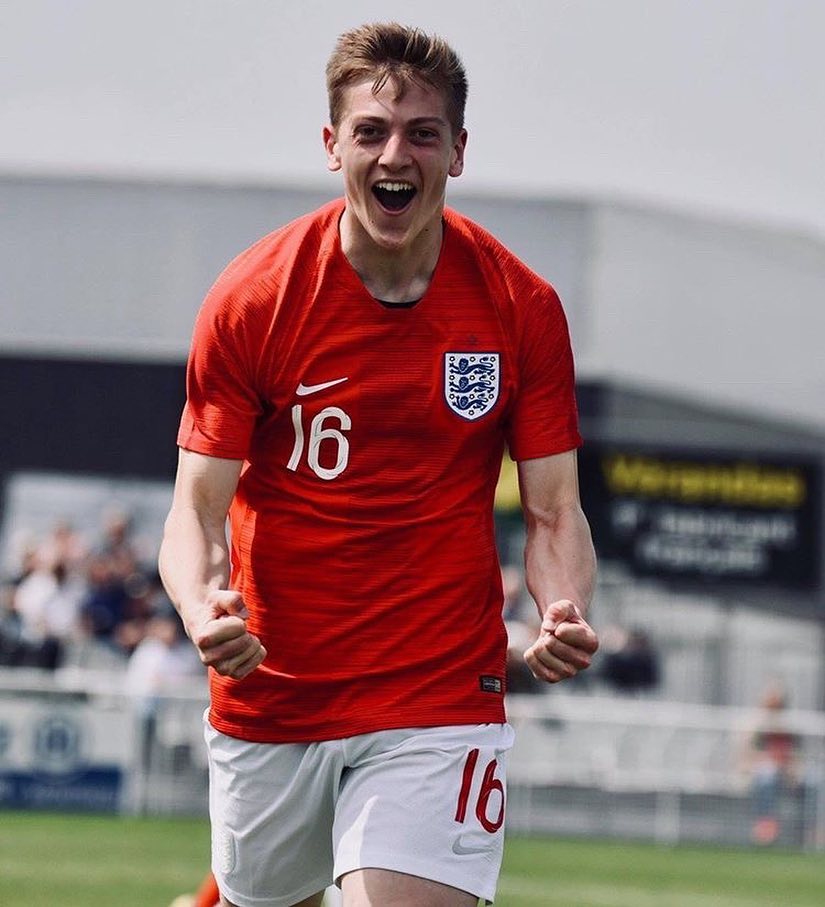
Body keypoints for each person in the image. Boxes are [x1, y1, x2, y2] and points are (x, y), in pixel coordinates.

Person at [159, 21, 598, 907]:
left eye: (421, 133)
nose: (395, 153)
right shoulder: (254, 299)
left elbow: (554, 511)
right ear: (333, 147)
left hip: (438, 691)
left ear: (456, 152)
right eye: (370, 131)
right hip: (273, 690)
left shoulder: (521, 305)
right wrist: (201, 604)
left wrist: (562, 607)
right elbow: (196, 511)